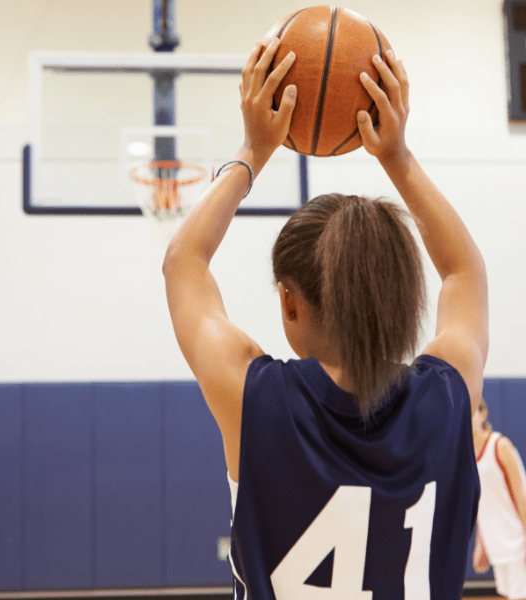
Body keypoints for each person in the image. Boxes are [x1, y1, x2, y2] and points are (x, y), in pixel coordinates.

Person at [162, 37, 488, 599]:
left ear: (290, 302)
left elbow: (182, 263)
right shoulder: (449, 393)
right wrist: (397, 156)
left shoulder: (251, 397)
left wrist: (253, 151)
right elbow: (464, 271)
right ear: (399, 294)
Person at [472, 398, 526, 599]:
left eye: (471, 412)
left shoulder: (500, 445)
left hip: (517, 541)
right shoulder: (466, 454)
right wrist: (481, 544)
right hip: (496, 543)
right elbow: (481, 505)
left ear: (483, 413)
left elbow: (522, 496)